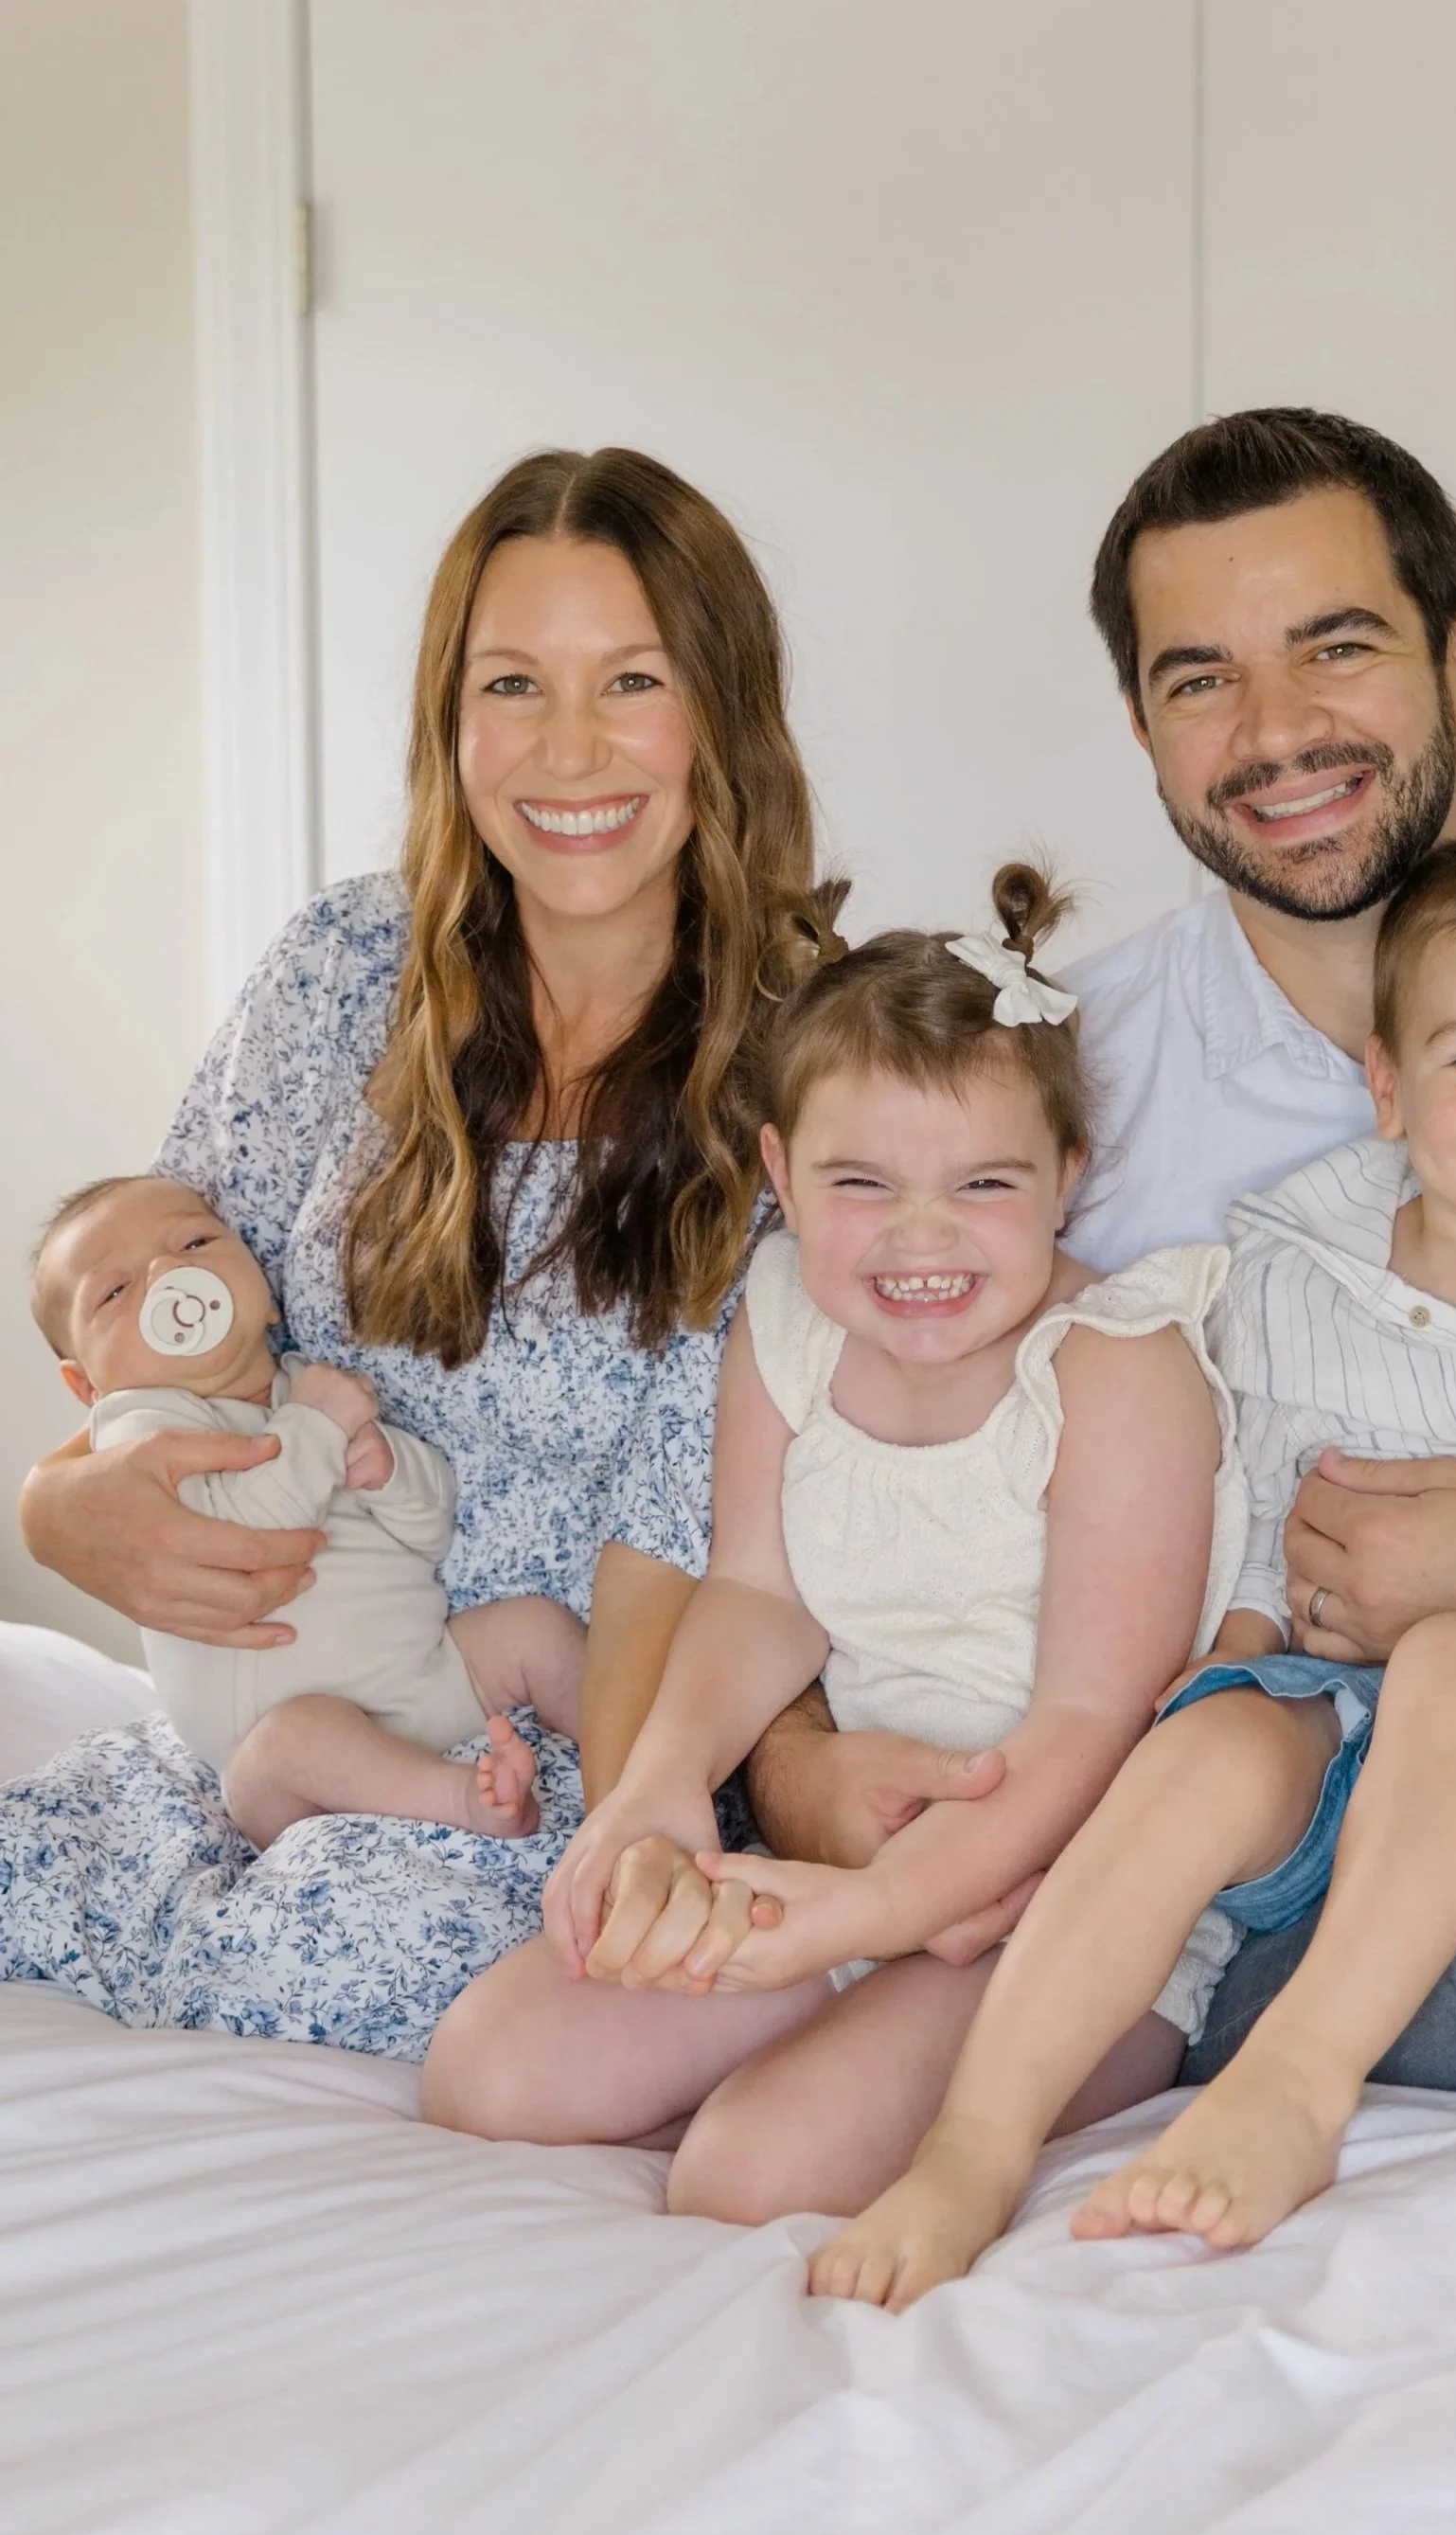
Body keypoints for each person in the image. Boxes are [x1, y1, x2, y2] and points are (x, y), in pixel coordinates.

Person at [742, 406, 1456, 2149]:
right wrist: (795, 1768)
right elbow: (804, 1454)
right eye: (1200, 678)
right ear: (1140, 727)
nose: (1276, 734)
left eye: (1336, 649)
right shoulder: (1055, 1090)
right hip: (1212, 1860)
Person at [6, 444, 880, 2054]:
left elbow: (666, 1556)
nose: (566, 750)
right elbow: (152, 1301)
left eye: (632, 680)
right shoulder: (343, 966)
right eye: (510, 685)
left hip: (542, 1741)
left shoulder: (812, 1063)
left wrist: (620, 1824)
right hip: (272, 1713)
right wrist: (59, 1501)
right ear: (446, 719)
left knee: (357, 1949)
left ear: (723, 710)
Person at [813, 831, 1456, 2307]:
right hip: (1326, 1684)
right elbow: (1248, 1487)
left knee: (1453, 1658)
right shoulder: (1292, 1270)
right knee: (1206, 1748)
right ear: (1386, 1084)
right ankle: (972, 2148)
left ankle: (1296, 2085)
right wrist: (1235, 1648)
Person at [420, 866, 1243, 2196]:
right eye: (862, 1181)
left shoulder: (1115, 1365)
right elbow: (757, 1592)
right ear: (780, 1175)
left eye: (982, 1182)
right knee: (489, 2071)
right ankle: (817, 2017)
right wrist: (660, 1781)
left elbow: (1093, 1717)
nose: (922, 1238)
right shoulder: (790, 1318)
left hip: (1070, 1906)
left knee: (749, 2173)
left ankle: (850, 2043)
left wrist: (875, 1915)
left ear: (1067, 1176)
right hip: (850, 1868)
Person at [31, 1173, 589, 1844]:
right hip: (289, 1754)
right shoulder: (139, 1431)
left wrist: (387, 1472)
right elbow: (244, 1538)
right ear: (87, 1385)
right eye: (115, 1291)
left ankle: (633, 1774)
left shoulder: (308, 1386)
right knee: (293, 1740)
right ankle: (461, 1801)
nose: (168, 1275)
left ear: (265, 1297)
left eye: (196, 1242)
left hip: (425, 1676)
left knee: (537, 1631)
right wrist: (319, 1428)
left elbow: (428, 1532)